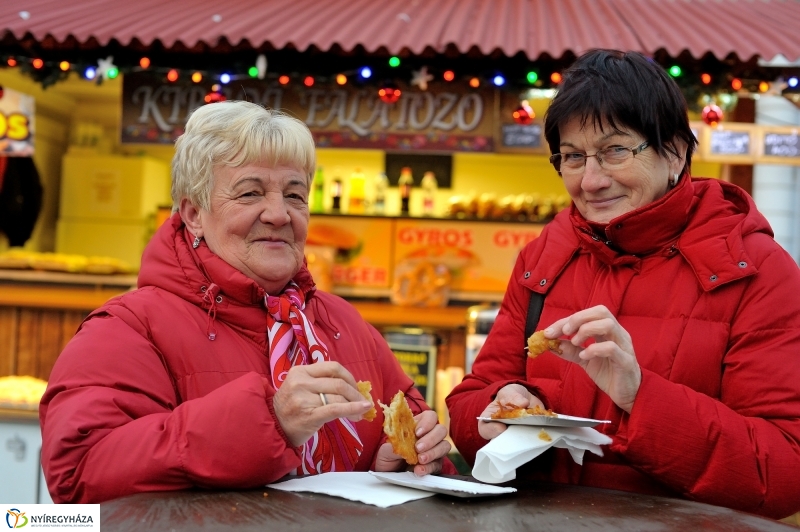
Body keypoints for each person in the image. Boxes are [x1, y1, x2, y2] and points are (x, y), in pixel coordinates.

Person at [446, 49, 800, 519]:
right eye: (573, 157)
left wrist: (639, 396)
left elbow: (782, 474)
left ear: (673, 150)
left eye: (615, 150)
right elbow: (470, 401)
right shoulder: (545, 257)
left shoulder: (756, 271)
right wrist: (498, 408)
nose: (590, 181)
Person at [40, 101, 453, 504]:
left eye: (295, 196)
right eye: (250, 193)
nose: (278, 214)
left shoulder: (344, 320)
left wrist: (394, 467)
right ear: (193, 213)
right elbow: (79, 475)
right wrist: (269, 421)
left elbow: (422, 451)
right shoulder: (127, 327)